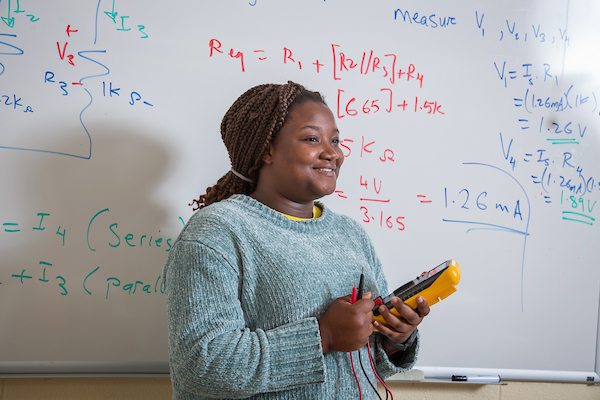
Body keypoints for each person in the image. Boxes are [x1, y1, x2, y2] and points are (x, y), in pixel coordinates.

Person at [163, 81, 430, 399]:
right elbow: (201, 367)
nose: (333, 153)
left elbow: (362, 362)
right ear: (267, 150)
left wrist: (394, 339)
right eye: (312, 139)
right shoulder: (216, 233)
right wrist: (324, 335)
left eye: (335, 140)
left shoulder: (351, 235)